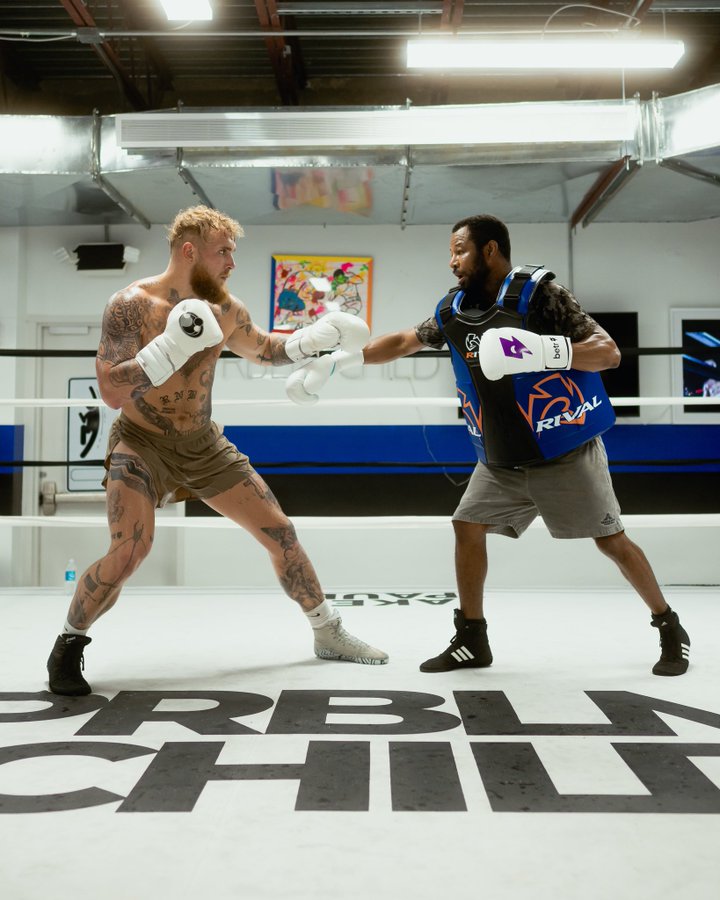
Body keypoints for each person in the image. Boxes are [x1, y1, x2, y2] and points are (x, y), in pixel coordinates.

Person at [286, 214, 690, 677]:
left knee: (611, 541)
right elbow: (405, 340)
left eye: (460, 250)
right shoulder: (455, 307)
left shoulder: (541, 295)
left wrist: (544, 351)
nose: (452, 260)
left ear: (490, 250)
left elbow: (608, 352)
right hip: (501, 457)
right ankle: (472, 639)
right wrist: (343, 361)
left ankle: (669, 628)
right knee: (466, 525)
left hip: (564, 450)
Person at [46, 205, 388, 697]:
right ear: (190, 252)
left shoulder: (227, 308)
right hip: (142, 442)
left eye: (232, 252)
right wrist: (168, 348)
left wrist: (314, 339)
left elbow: (265, 349)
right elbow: (110, 389)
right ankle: (69, 644)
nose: (231, 262)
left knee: (281, 532)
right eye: (223, 252)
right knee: (131, 550)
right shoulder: (131, 303)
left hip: (203, 443)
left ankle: (327, 631)